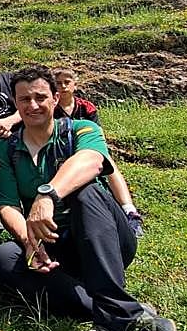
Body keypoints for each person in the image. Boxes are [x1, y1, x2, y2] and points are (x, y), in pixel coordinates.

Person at [0, 67, 177, 331]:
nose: (32, 105)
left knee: (85, 192)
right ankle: (131, 312)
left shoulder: (81, 130)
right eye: (24, 99)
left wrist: (47, 196)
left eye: (40, 97)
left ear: (56, 98)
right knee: (4, 257)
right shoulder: (6, 149)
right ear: (15, 102)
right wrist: (29, 242)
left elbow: (92, 161)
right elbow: (8, 204)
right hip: (55, 245)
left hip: (105, 238)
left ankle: (113, 327)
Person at [52, 67, 144, 236]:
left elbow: (98, 133)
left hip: (86, 146)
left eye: (67, 82)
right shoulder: (50, 107)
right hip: (59, 149)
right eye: (58, 83)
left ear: (75, 84)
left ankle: (129, 210)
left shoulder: (86, 107)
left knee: (106, 160)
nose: (63, 86)